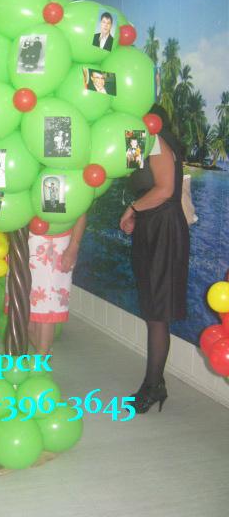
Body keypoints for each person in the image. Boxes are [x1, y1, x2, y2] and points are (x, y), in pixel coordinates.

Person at [119, 103, 189, 414]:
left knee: (158, 311)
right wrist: (136, 213)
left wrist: (132, 209)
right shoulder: (137, 140)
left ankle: (152, 386)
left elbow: (164, 190)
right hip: (151, 227)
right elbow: (140, 183)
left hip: (164, 230)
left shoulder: (156, 139)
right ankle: (155, 383)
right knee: (151, 307)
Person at [16, 215, 87, 356]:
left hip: (54, 244)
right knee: (24, 314)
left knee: (47, 307)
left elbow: (81, 211)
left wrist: (73, 246)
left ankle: (41, 359)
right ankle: (44, 354)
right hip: (23, 242)